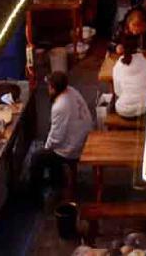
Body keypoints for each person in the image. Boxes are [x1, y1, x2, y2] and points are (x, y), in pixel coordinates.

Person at [29, 71, 92, 201]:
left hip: (74, 147)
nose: (48, 89)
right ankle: (56, 180)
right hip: (83, 136)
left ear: (53, 88)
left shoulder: (60, 106)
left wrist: (46, 147)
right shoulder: (71, 91)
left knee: (37, 158)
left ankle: (35, 197)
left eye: (49, 86)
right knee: (50, 150)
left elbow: (56, 138)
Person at [112, 34, 146, 119]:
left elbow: (117, 91)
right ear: (138, 47)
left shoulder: (118, 65)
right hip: (143, 108)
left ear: (122, 47)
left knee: (117, 103)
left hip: (123, 110)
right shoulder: (143, 62)